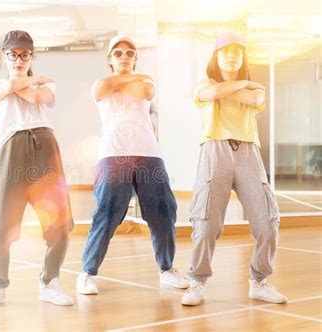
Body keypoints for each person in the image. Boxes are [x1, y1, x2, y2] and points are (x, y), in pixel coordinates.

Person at [76, 35, 189, 295]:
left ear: (136, 59)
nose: (124, 57)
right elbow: (102, 89)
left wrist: (122, 83)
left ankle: (167, 270)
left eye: (130, 53)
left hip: (148, 152)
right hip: (113, 153)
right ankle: (87, 273)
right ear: (109, 60)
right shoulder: (103, 83)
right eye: (118, 53)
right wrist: (126, 81)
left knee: (163, 210)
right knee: (108, 212)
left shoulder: (146, 81)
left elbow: (144, 91)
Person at [181, 32, 287, 306]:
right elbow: (213, 92)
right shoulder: (206, 84)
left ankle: (259, 281)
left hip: (249, 153)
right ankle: (197, 282)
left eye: (237, 51)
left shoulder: (257, 90)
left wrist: (242, 88)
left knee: (267, 222)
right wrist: (244, 84)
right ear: (216, 57)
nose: (231, 55)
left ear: (243, 57)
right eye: (225, 51)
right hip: (214, 150)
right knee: (205, 224)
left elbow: (253, 100)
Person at [0, 30, 74, 309]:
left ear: (32, 55)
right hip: (10, 151)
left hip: (45, 148)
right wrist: (32, 80)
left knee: (59, 224)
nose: (19, 59)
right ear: (4, 55)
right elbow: (3, 90)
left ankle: (50, 282)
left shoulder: (49, 85)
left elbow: (38, 99)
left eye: (25, 54)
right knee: (0, 226)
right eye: (13, 54)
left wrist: (25, 84)